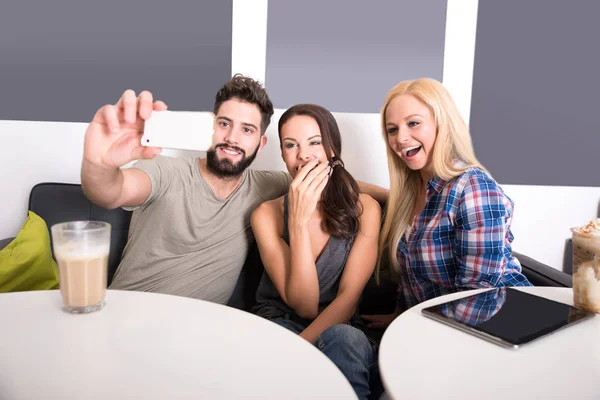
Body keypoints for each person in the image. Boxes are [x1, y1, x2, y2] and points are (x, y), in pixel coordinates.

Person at [81, 74, 388, 305]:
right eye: (224, 124)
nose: (232, 138)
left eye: (247, 129)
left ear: (262, 143)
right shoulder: (164, 171)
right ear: (211, 127)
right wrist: (99, 163)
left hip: (203, 333)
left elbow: (327, 180)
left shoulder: (269, 186)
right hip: (129, 313)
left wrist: (398, 199)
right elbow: (111, 191)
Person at [362, 78, 531, 330]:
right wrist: (398, 315)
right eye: (392, 129)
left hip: (497, 327)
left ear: (443, 124)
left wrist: (409, 332)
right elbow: (412, 279)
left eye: (413, 123)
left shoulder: (473, 187)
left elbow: (478, 299)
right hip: (440, 328)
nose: (401, 138)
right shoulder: (411, 193)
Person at [251, 104, 381, 400]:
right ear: (282, 154)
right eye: (290, 145)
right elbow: (305, 306)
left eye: (315, 142)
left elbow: (347, 300)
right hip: (281, 321)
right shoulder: (266, 215)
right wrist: (297, 222)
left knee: (344, 337)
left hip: (339, 326)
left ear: (332, 149)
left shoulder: (364, 210)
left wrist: (299, 348)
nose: (303, 155)